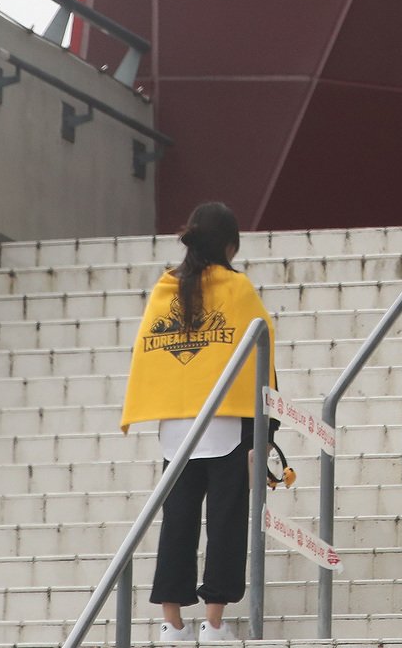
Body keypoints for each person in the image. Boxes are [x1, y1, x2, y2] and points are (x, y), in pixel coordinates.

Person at [119, 201, 277, 643]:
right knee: (226, 520)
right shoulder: (237, 288)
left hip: (176, 428)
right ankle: (213, 624)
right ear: (230, 245)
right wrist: (268, 432)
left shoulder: (163, 289)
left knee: (177, 522)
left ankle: (171, 624)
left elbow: (147, 356)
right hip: (227, 424)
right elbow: (261, 360)